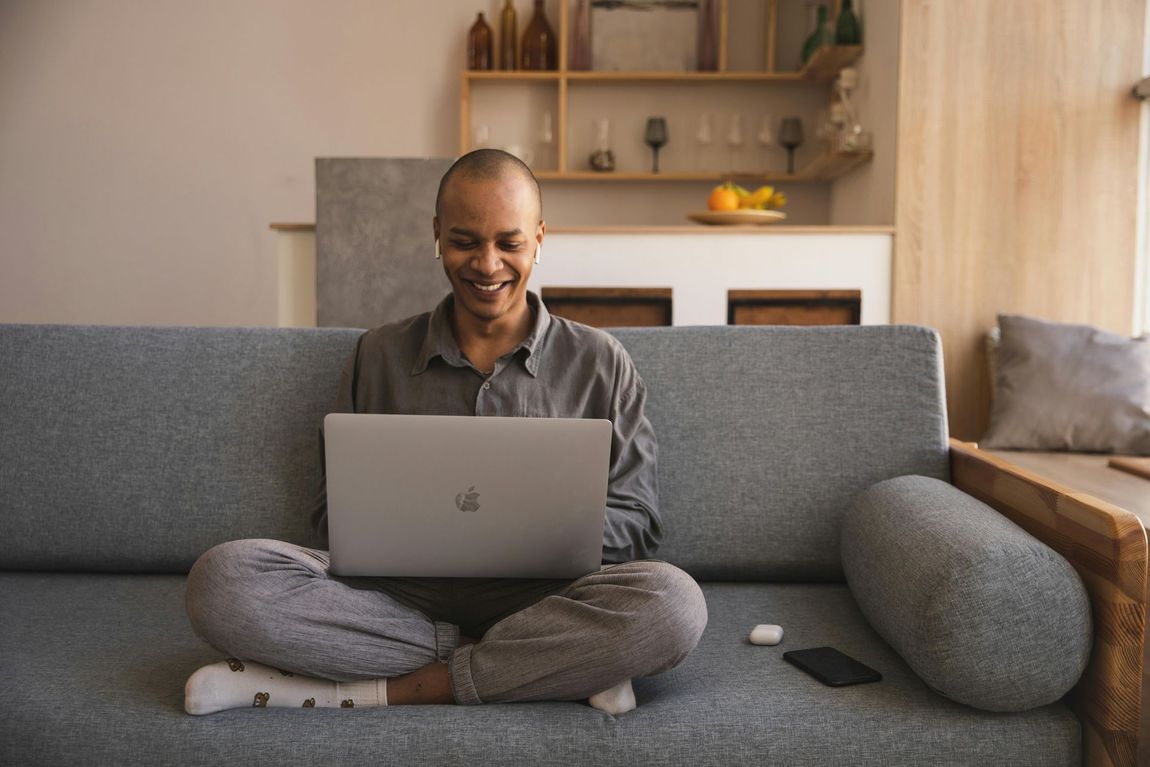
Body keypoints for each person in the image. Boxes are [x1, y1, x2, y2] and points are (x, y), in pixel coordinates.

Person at [183, 149, 707, 716]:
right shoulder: (377, 354)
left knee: (674, 605)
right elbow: (330, 514)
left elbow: (639, 517)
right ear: (437, 235)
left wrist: (526, 535)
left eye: (509, 243)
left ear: (538, 238)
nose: (487, 265)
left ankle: (382, 687)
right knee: (224, 579)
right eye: (465, 241)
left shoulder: (602, 361)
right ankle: (543, 666)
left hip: (546, 598)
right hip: (397, 601)